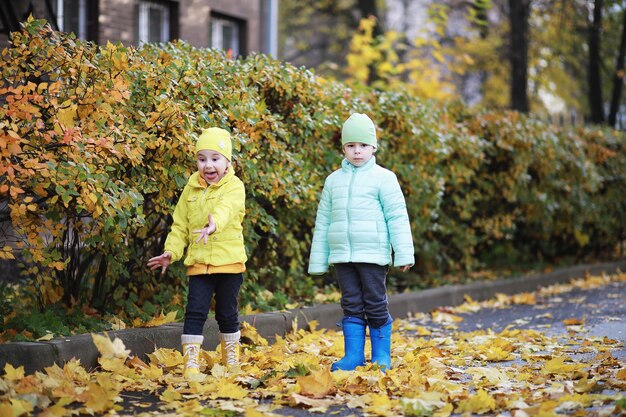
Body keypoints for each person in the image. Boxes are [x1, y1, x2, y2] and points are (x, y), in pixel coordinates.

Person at [308, 113, 414, 372]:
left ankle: (381, 356)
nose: (357, 151)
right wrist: (318, 260)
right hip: (343, 256)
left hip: (373, 255)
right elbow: (323, 222)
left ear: (373, 147)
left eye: (363, 145)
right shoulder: (333, 181)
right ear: (343, 148)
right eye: (351, 146)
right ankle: (353, 356)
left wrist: (403, 253)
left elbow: (397, 216)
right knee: (351, 303)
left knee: (375, 302)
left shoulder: (384, 178)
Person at [147, 127, 247, 378]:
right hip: (199, 263)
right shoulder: (190, 190)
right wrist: (171, 252)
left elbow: (227, 208)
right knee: (195, 311)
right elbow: (180, 226)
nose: (208, 165)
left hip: (229, 263)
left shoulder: (234, 187)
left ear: (227, 162)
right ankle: (191, 361)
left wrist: (214, 224)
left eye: (215, 158)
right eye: (202, 159)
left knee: (227, 313)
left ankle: (230, 357)